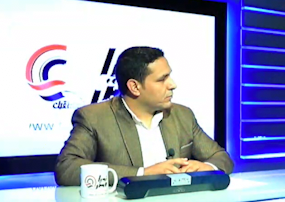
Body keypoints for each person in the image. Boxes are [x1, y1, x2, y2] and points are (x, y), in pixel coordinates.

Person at [55, 47, 233, 186]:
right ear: (134, 87)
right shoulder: (94, 117)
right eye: (162, 79)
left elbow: (221, 157)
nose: (172, 84)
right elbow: (67, 168)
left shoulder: (182, 115)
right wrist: (142, 174)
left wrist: (207, 167)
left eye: (169, 76)